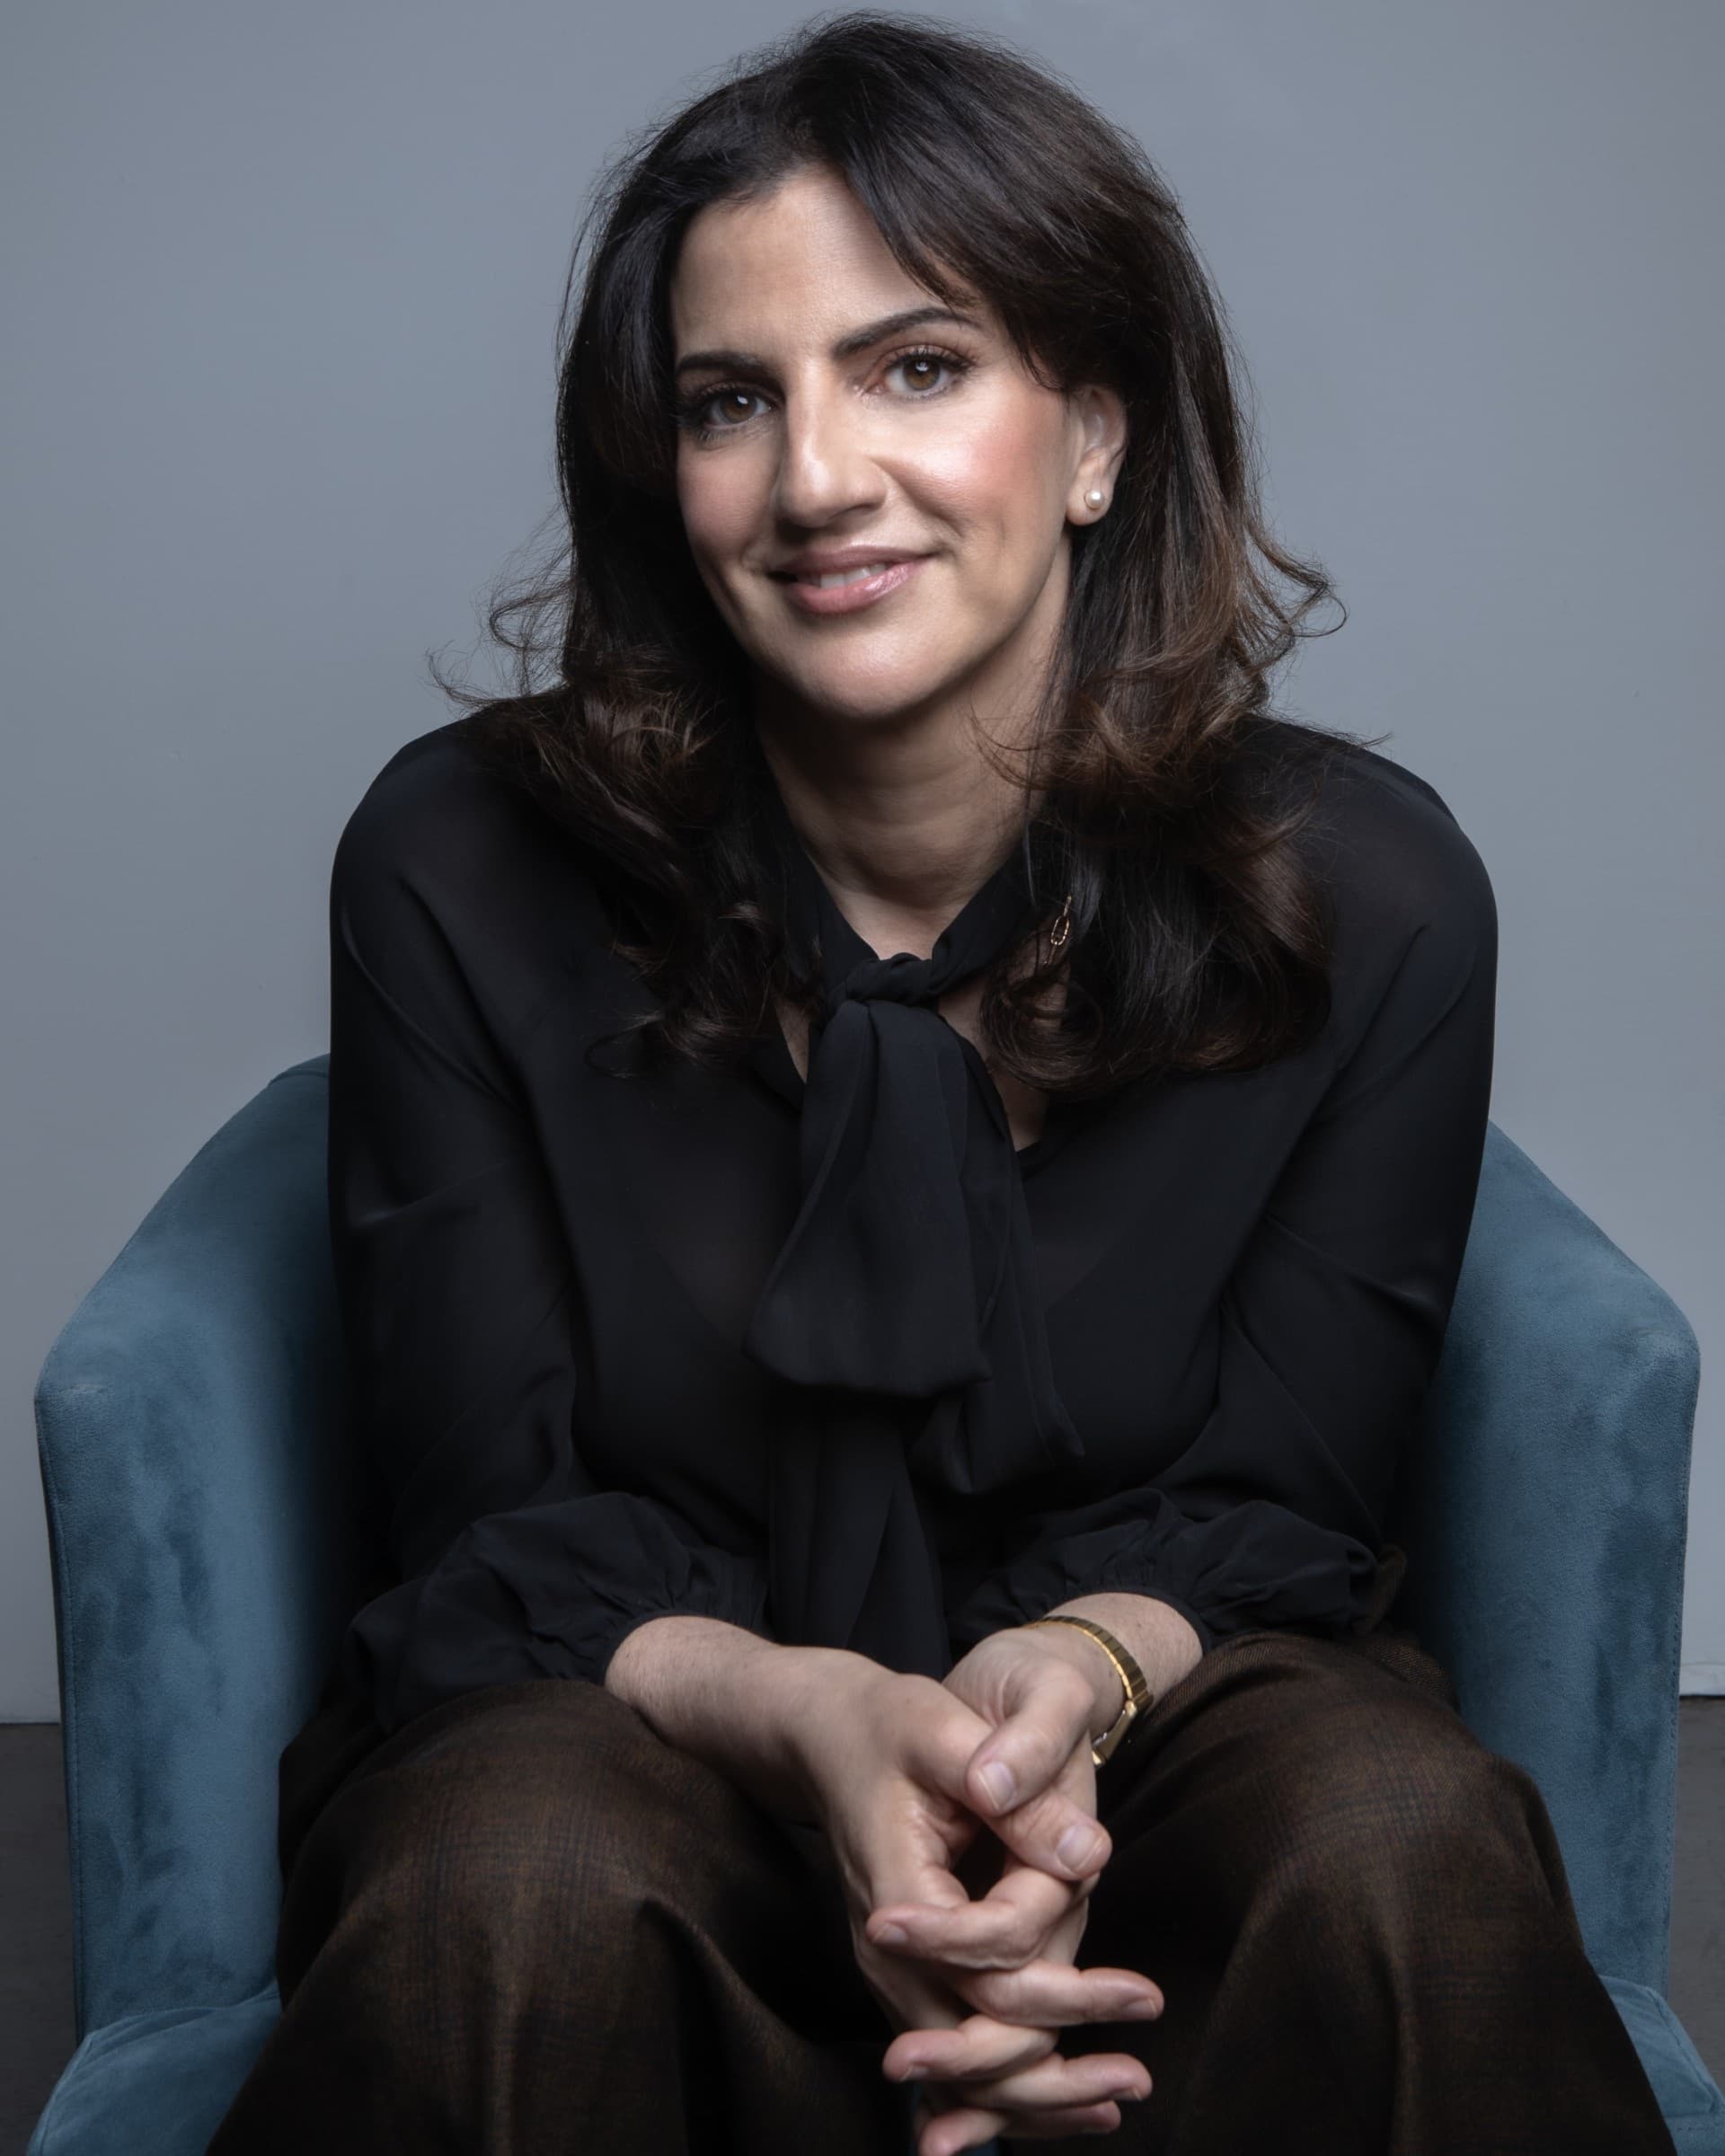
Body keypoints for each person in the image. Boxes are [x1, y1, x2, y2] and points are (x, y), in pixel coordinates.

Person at [206, 13, 1678, 2155]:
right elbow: (490, 1525)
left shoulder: (1374, 897)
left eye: (915, 368)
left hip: (1139, 1739)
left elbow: (1287, 1504)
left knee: (1395, 1842)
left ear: (1096, 435)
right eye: (731, 400)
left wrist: (1061, 1692)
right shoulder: (455, 862)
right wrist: (808, 1712)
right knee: (502, 1878)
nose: (816, 479)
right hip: (650, 1727)